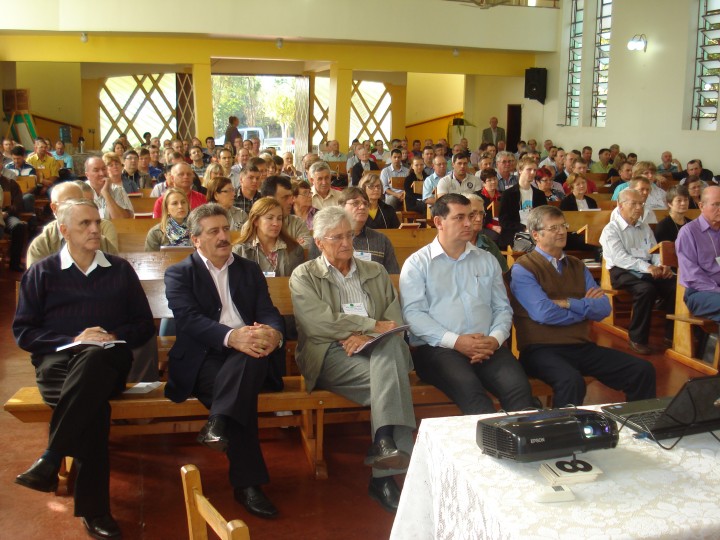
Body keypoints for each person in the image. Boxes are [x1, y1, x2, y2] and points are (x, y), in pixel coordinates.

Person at [13, 198, 155, 540]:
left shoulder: (119, 270)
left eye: (97, 222)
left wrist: (111, 336)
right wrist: (73, 338)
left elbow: (144, 325)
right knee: (93, 410)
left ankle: (52, 456)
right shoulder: (42, 272)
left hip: (109, 363)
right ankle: (94, 510)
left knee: (93, 357)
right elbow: (24, 332)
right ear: (63, 231)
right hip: (57, 367)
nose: (95, 229)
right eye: (85, 224)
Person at [290, 206, 415, 513]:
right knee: (394, 376)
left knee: (392, 350)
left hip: (378, 349)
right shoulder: (304, 275)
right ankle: (386, 470)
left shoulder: (374, 271)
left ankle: (384, 451)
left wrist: (369, 338)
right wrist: (368, 327)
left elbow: (393, 319)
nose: (347, 243)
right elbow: (317, 324)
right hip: (329, 353)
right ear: (319, 242)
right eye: (337, 238)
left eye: (350, 235)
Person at [164, 203, 285, 519]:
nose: (222, 236)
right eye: (213, 231)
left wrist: (272, 332)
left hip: (250, 353)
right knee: (243, 384)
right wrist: (233, 338)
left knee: (253, 354)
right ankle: (248, 486)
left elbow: (267, 310)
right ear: (195, 239)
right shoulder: (180, 273)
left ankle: (218, 423)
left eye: (224, 228)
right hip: (203, 359)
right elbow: (189, 321)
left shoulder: (248, 269)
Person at [400, 193, 535, 414]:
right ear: (438, 222)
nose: (468, 223)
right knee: (472, 393)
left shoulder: (487, 259)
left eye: (470, 216)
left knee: (519, 389)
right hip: (439, 349)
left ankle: (526, 444)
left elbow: (502, 307)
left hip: (486, 344)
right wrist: (457, 342)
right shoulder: (417, 264)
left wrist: (495, 338)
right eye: (459, 217)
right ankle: (491, 446)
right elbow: (413, 315)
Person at [509, 205, 656, 407]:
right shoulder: (524, 268)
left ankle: (639, 428)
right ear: (536, 235)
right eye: (554, 228)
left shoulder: (577, 265)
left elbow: (604, 308)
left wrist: (569, 303)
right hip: (540, 350)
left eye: (563, 226)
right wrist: (585, 310)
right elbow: (544, 313)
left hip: (581, 346)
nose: (562, 232)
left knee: (642, 370)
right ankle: (564, 433)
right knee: (571, 381)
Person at [600, 189, 676, 355]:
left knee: (674, 286)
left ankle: (671, 335)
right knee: (645, 289)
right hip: (621, 271)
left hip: (646, 269)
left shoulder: (644, 227)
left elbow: (654, 252)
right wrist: (648, 267)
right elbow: (620, 258)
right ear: (620, 206)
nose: (638, 207)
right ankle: (637, 338)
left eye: (641, 204)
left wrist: (662, 265)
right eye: (633, 203)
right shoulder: (611, 230)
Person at [307, 187, 400, 273]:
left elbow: (393, 276)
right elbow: (314, 273)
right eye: (355, 203)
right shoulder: (324, 239)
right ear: (341, 207)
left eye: (365, 204)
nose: (362, 207)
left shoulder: (381, 240)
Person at [27, 181, 118, 266]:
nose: (78, 208)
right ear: (54, 208)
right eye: (70, 203)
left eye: (81, 201)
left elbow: (117, 277)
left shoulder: (103, 243)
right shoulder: (41, 246)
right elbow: (37, 280)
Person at [675, 185, 720, 322]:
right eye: (716, 204)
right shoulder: (688, 232)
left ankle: (710, 342)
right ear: (701, 206)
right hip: (699, 292)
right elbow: (692, 275)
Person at [233, 197, 304, 276]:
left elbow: (297, 282)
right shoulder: (240, 251)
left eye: (279, 218)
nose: (276, 223)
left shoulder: (294, 250)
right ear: (256, 221)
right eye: (270, 218)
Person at [498, 156, 547, 249]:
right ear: (520, 170)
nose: (532, 173)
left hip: (536, 232)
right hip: (515, 233)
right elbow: (504, 221)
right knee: (534, 246)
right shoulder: (508, 194)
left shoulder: (539, 194)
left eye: (535, 170)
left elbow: (544, 217)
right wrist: (523, 228)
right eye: (529, 169)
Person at [259, 175, 313, 246]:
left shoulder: (297, 223)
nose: (291, 201)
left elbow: (306, 249)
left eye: (290, 196)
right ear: (269, 199)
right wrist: (293, 245)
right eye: (285, 197)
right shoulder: (253, 224)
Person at [466, 194, 508, 272]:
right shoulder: (455, 245)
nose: (479, 219)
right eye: (473, 213)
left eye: (481, 213)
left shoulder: (488, 243)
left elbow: (504, 274)